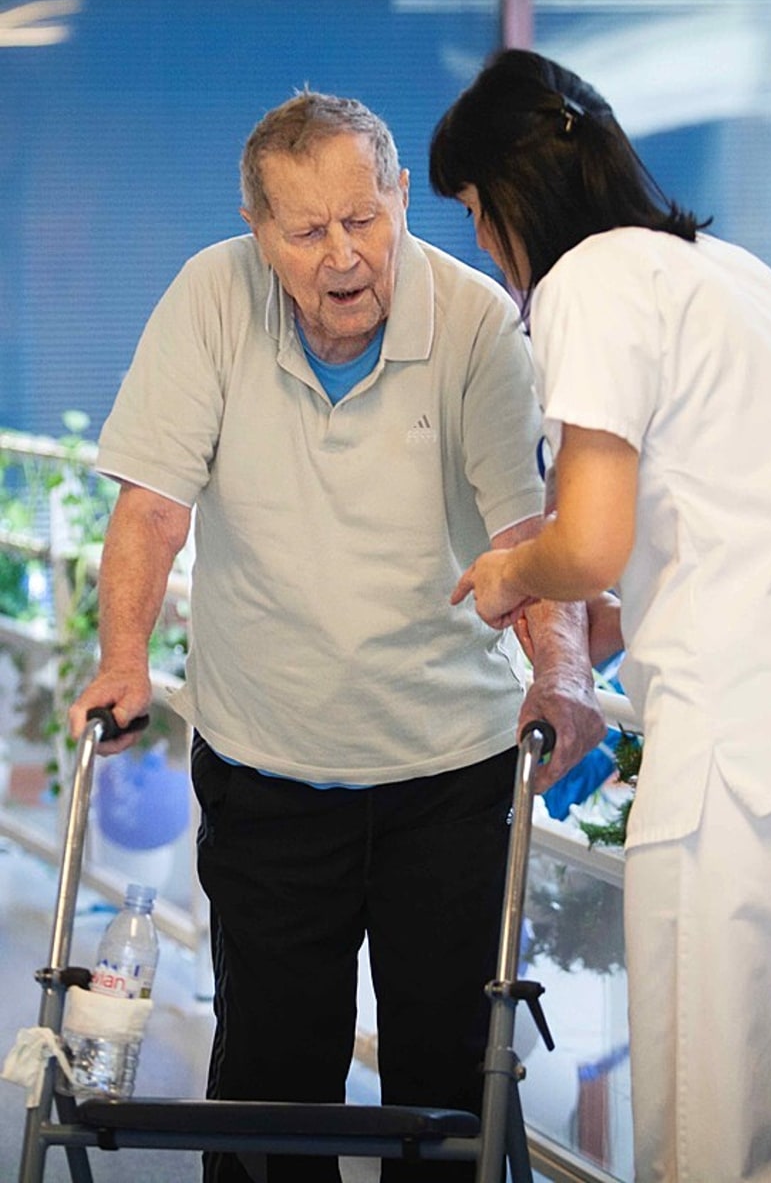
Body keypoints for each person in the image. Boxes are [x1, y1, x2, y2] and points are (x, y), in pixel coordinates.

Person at [69, 89, 604, 1183]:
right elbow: (154, 508)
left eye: (365, 218)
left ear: (403, 196)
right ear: (257, 230)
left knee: (446, 1084)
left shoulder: (472, 323)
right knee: (270, 1078)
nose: (344, 254)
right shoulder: (209, 298)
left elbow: (527, 531)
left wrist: (562, 667)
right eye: (307, 231)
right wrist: (124, 657)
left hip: (447, 770)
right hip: (269, 764)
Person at [430, 49, 771, 1183]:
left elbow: (589, 538)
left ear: (512, 191)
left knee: (706, 1157)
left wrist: (513, 572)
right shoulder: (737, 274)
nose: (477, 242)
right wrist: (612, 620)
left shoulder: (590, 283)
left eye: (470, 208)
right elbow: (725, 513)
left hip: (741, 775)